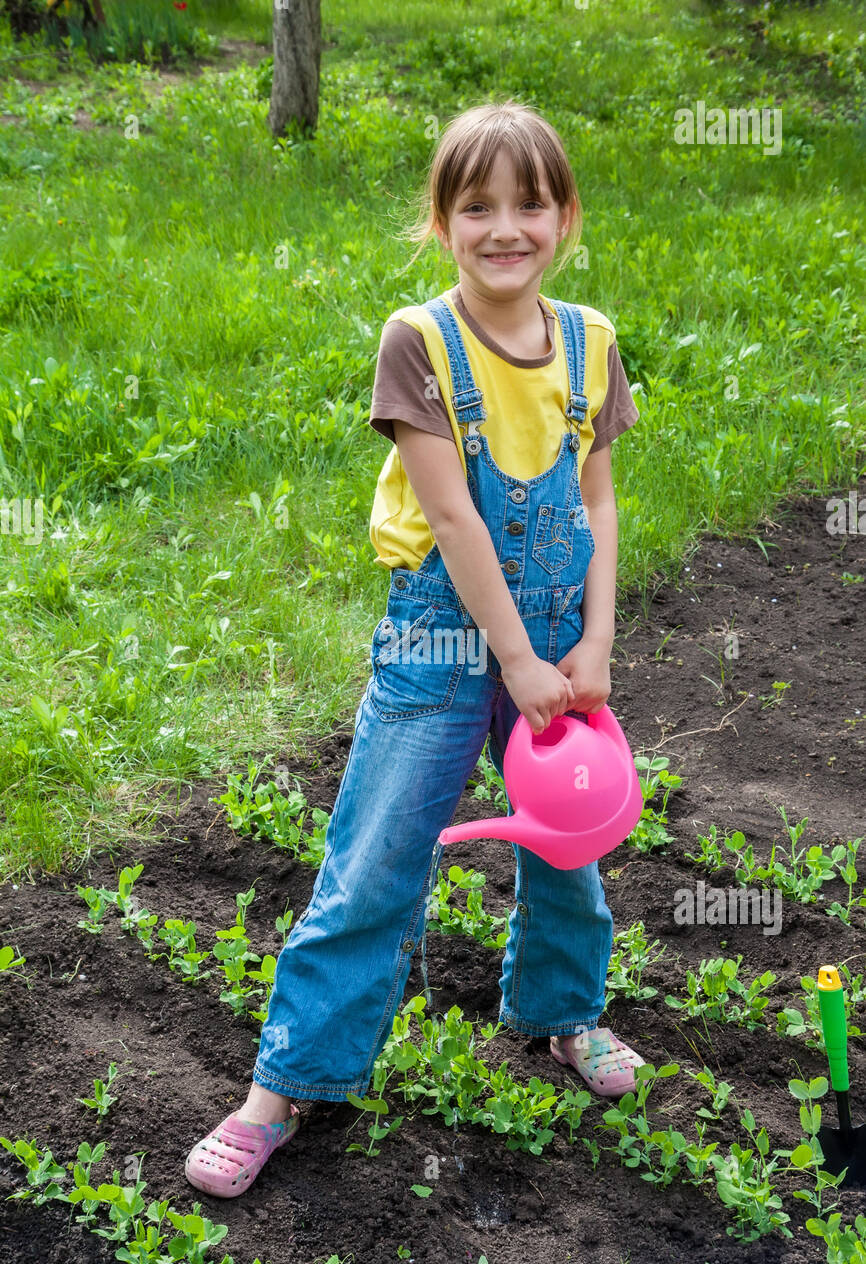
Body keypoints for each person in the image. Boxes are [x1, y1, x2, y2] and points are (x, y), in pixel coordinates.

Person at [185, 99, 645, 1199]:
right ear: (439, 223)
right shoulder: (419, 341)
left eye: (526, 205)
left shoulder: (589, 341)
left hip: (554, 643)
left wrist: (590, 640)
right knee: (378, 858)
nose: (503, 228)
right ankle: (284, 1085)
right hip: (444, 636)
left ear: (563, 216)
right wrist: (517, 662)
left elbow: (597, 499)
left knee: (569, 842)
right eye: (473, 206)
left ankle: (560, 1014)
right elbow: (454, 520)